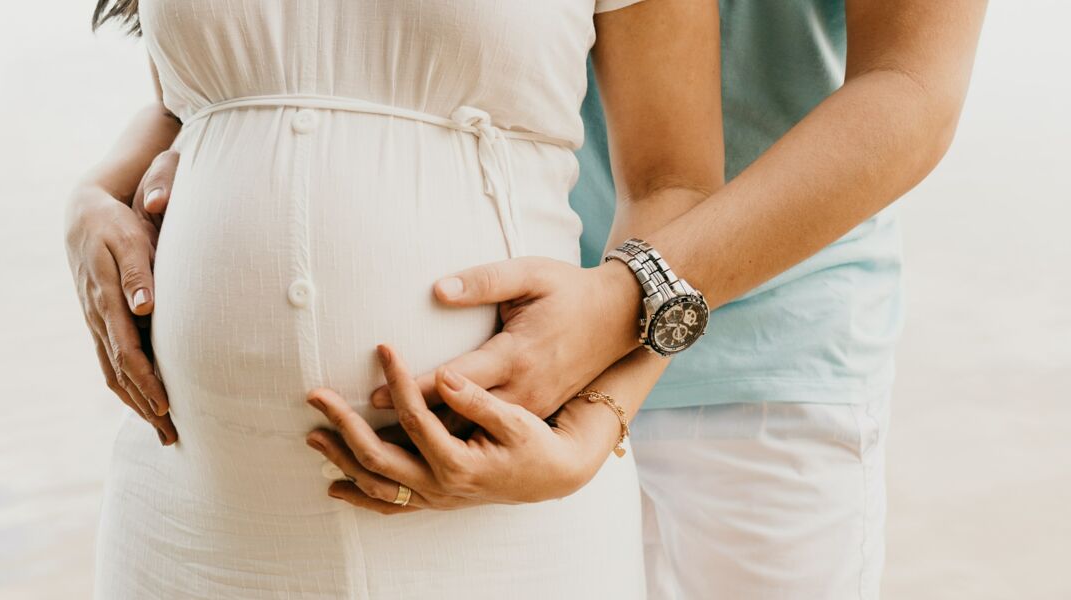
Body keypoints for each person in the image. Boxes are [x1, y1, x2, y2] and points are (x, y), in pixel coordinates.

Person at [93, 1, 988, 598]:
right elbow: (294, 62)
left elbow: (912, 87)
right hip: (502, 346)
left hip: (759, 354)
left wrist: (616, 338)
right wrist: (98, 193)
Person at [65, 0, 724, 597]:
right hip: (191, 512)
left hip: (502, 519)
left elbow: (674, 184)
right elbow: (192, 101)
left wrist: (598, 420)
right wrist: (96, 195)